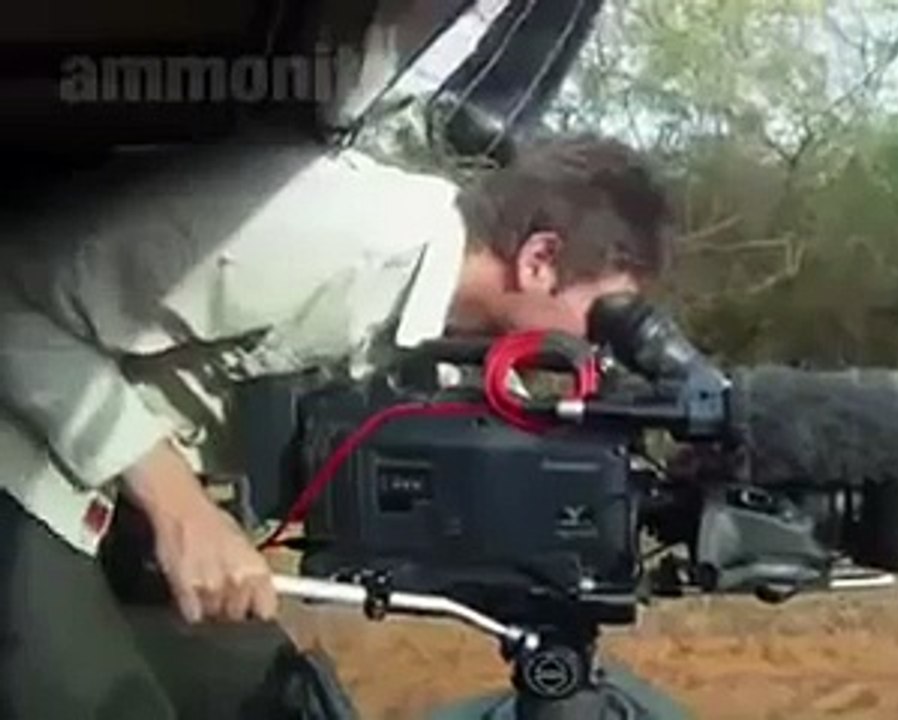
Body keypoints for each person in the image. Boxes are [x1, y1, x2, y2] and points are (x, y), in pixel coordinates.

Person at [0, 134, 675, 718]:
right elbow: (11, 302)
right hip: (23, 461)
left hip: (111, 496)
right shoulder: (327, 234)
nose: (603, 344)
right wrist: (181, 509)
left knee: (279, 702)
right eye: (605, 315)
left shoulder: (437, 303)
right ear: (538, 259)